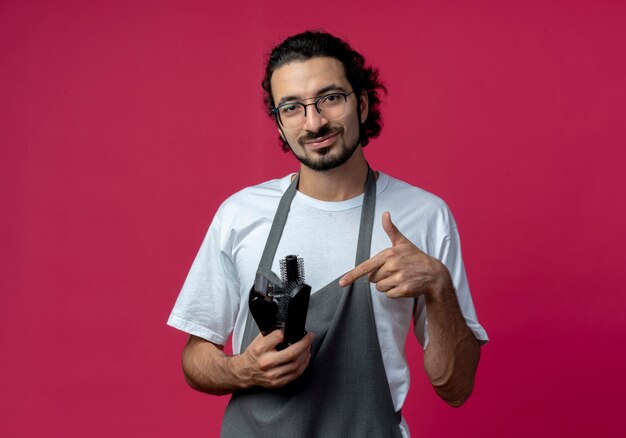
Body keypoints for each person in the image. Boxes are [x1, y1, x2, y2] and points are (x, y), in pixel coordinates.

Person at [168, 30, 488, 437]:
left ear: (364, 103)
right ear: (280, 126)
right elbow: (195, 358)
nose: (314, 122)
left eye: (330, 98)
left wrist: (438, 286)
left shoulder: (424, 216)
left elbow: (456, 387)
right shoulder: (240, 214)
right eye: (292, 108)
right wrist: (240, 369)